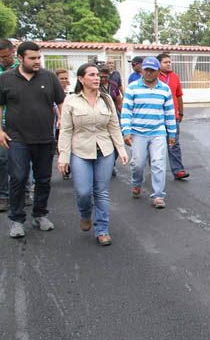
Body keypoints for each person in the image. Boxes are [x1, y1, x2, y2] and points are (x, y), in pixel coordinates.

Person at [58, 63, 128, 246]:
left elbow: (113, 125)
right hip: (80, 152)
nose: (97, 78)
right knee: (83, 192)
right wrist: (63, 158)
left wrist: (121, 150)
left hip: (104, 151)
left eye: (97, 74)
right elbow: (65, 131)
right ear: (81, 79)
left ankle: (102, 229)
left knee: (101, 192)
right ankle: (84, 214)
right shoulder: (71, 101)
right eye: (91, 75)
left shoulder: (106, 99)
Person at [0, 41, 65, 238]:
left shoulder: (49, 77)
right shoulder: (5, 79)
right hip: (16, 138)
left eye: (39, 58)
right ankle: (17, 219)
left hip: (45, 138)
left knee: (44, 180)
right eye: (33, 58)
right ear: (20, 58)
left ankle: (40, 214)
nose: (37, 62)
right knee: (18, 178)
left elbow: (61, 101)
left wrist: (63, 122)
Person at [121, 57, 176, 209]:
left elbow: (169, 113)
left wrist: (172, 133)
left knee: (158, 163)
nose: (149, 73)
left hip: (158, 132)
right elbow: (126, 112)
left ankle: (158, 195)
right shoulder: (133, 88)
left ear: (158, 72)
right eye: (146, 70)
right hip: (137, 132)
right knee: (137, 164)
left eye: (152, 71)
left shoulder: (164, 89)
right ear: (142, 70)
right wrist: (126, 131)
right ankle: (136, 182)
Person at [156, 53, 189, 180]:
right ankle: (156, 171)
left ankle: (178, 170)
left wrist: (180, 112)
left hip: (172, 117)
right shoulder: (154, 77)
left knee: (174, 144)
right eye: (165, 62)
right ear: (159, 64)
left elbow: (179, 95)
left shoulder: (174, 77)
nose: (169, 64)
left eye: (169, 62)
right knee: (156, 145)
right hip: (157, 118)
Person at [0, 38, 18, 212]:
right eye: (0, 57)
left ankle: (25, 192)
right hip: (3, 122)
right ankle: (4, 195)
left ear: (12, 52)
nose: (2, 60)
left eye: (5, 56)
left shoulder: (23, 67)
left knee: (22, 161)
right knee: (2, 159)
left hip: (21, 122)